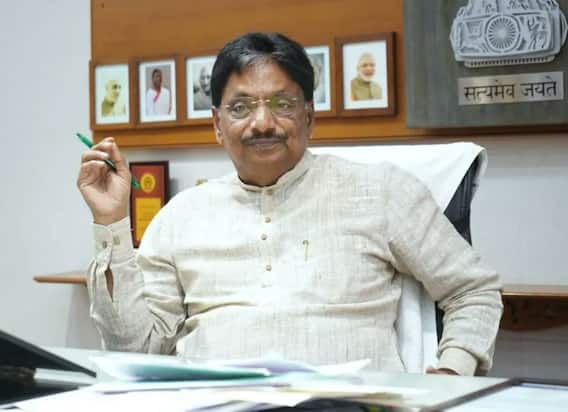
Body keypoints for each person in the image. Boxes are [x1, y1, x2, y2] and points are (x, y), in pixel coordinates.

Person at [78, 32, 502, 376]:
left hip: (351, 406)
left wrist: (453, 371)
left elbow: (472, 289)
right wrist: (111, 222)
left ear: (309, 117)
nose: (263, 123)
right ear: (218, 125)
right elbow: (137, 348)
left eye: (282, 105)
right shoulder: (181, 216)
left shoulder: (382, 192)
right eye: (241, 108)